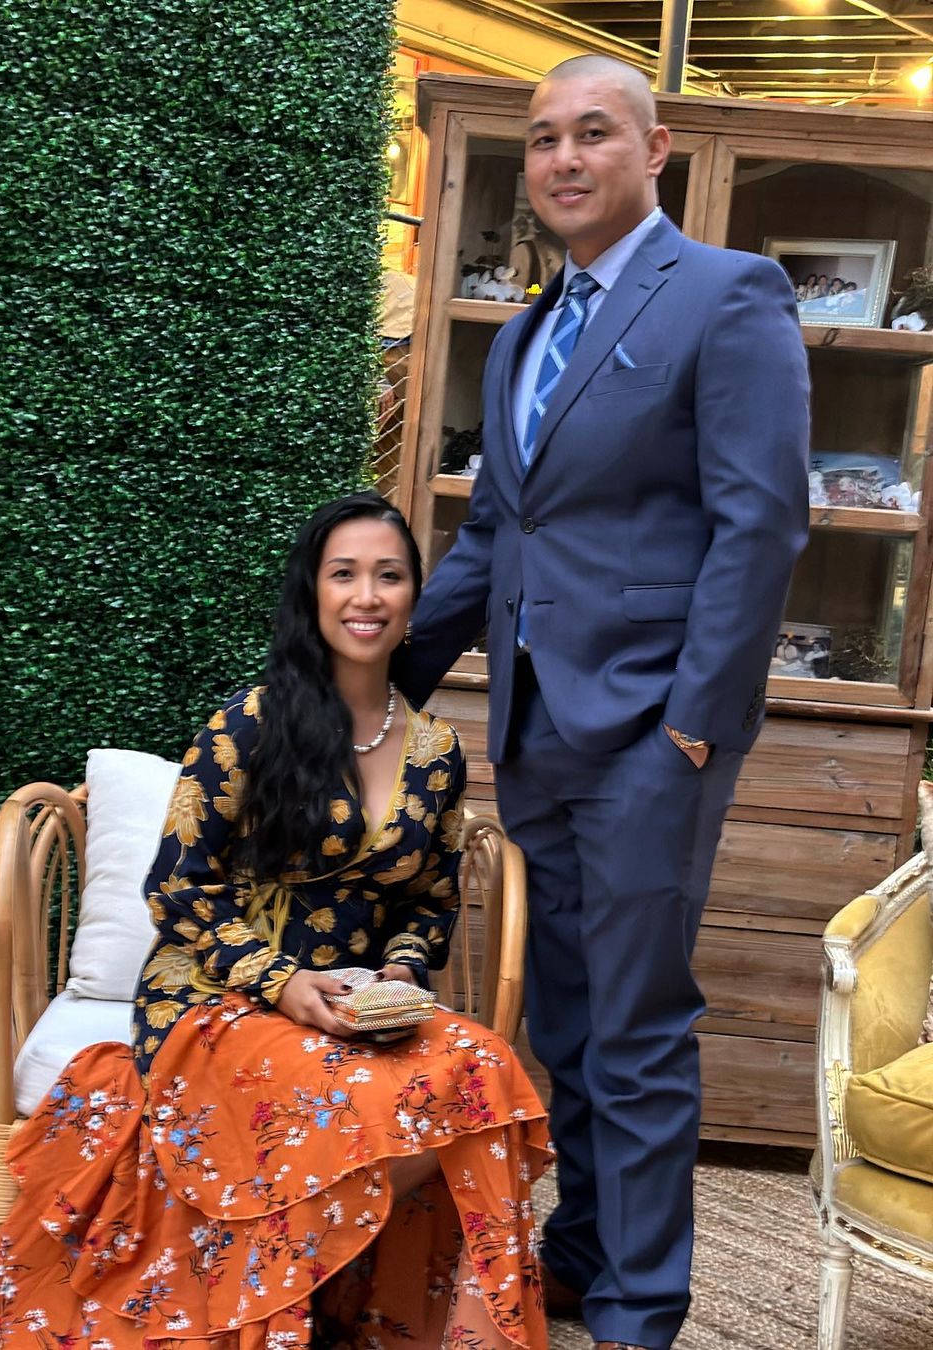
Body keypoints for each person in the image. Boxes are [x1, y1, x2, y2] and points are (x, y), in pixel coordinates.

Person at [0, 492, 551, 1350]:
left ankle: (341, 1299)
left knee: (485, 1072)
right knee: (349, 1098)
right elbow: (177, 886)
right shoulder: (250, 723)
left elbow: (430, 899)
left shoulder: (436, 750)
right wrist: (282, 982)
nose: (367, 596)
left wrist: (402, 973)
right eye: (344, 575)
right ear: (312, 592)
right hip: (216, 993)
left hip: (354, 1002)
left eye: (389, 576)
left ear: (414, 595)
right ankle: (251, 1309)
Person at [398, 55, 810, 1350]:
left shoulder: (727, 295)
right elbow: (494, 537)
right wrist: (366, 683)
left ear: (654, 149)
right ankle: (582, 1251)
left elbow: (762, 522)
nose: (564, 159)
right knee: (569, 1016)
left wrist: (695, 720)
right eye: (543, 140)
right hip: (533, 727)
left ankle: (640, 1308)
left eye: (592, 133)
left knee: (633, 1024)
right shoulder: (527, 331)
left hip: (651, 737)